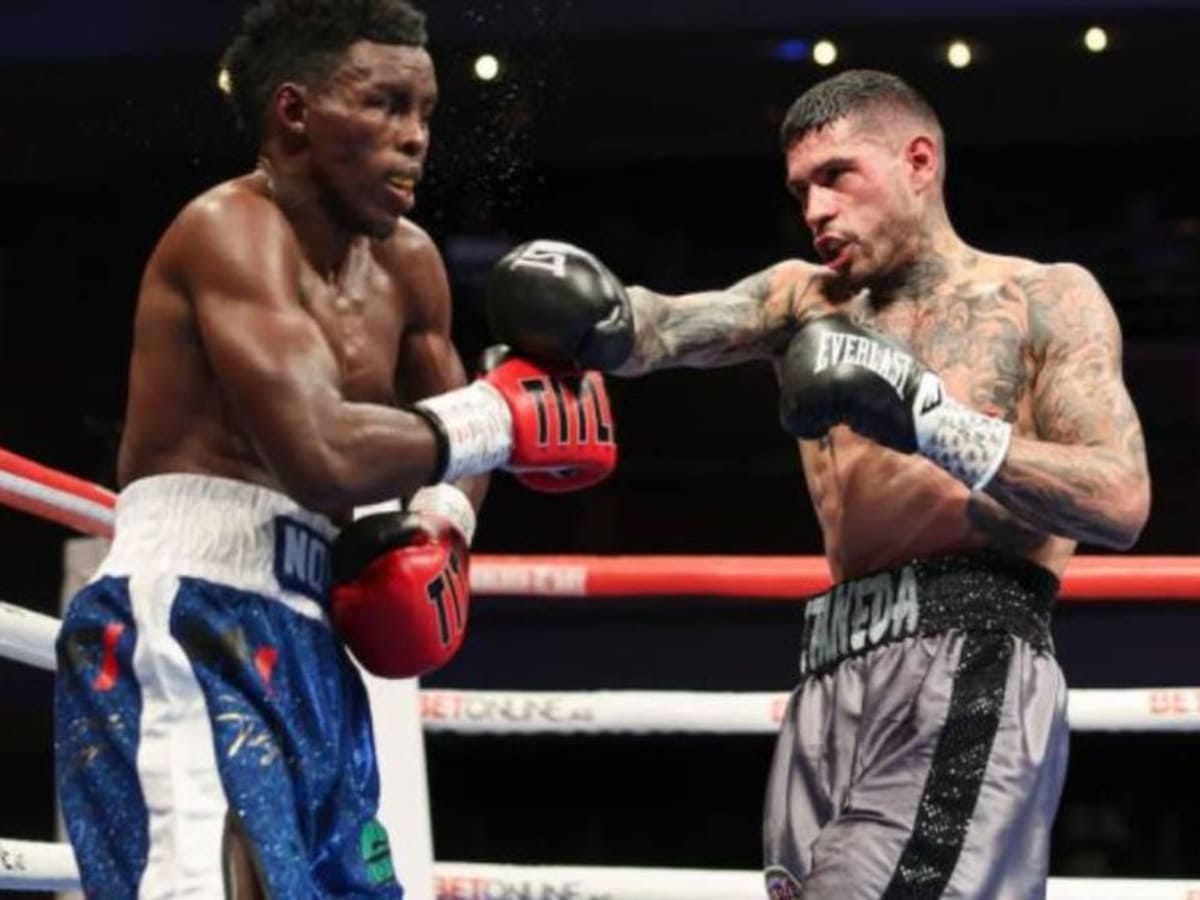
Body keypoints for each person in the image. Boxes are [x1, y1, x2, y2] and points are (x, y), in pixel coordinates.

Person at [482, 70, 1150, 898]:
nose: (817, 210)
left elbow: (1119, 498)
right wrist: (582, 320)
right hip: (831, 673)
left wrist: (929, 420)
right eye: (802, 190)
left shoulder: (1045, 296)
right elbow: (659, 328)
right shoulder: (801, 299)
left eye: (837, 176)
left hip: (970, 654)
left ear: (918, 161)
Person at [52, 1, 616, 897]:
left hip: (313, 633)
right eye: (385, 104)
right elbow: (321, 452)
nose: (415, 137)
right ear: (295, 113)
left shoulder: (409, 264)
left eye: (425, 112)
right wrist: (502, 418)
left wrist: (441, 531)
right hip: (188, 615)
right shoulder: (228, 230)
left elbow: (452, 451)